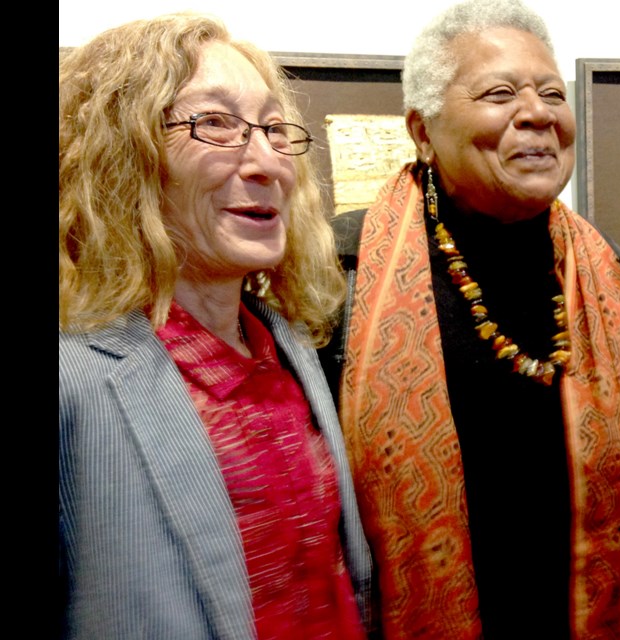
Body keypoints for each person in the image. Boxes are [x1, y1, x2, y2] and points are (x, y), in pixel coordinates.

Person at [317, 0, 620, 637]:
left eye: (552, 92)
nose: (537, 113)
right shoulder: (342, 274)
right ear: (422, 128)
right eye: (500, 93)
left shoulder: (605, 269)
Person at [59, 13, 373, 638]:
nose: (267, 163)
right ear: (124, 156)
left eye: (275, 130)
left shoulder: (289, 348)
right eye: (215, 124)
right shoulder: (76, 377)